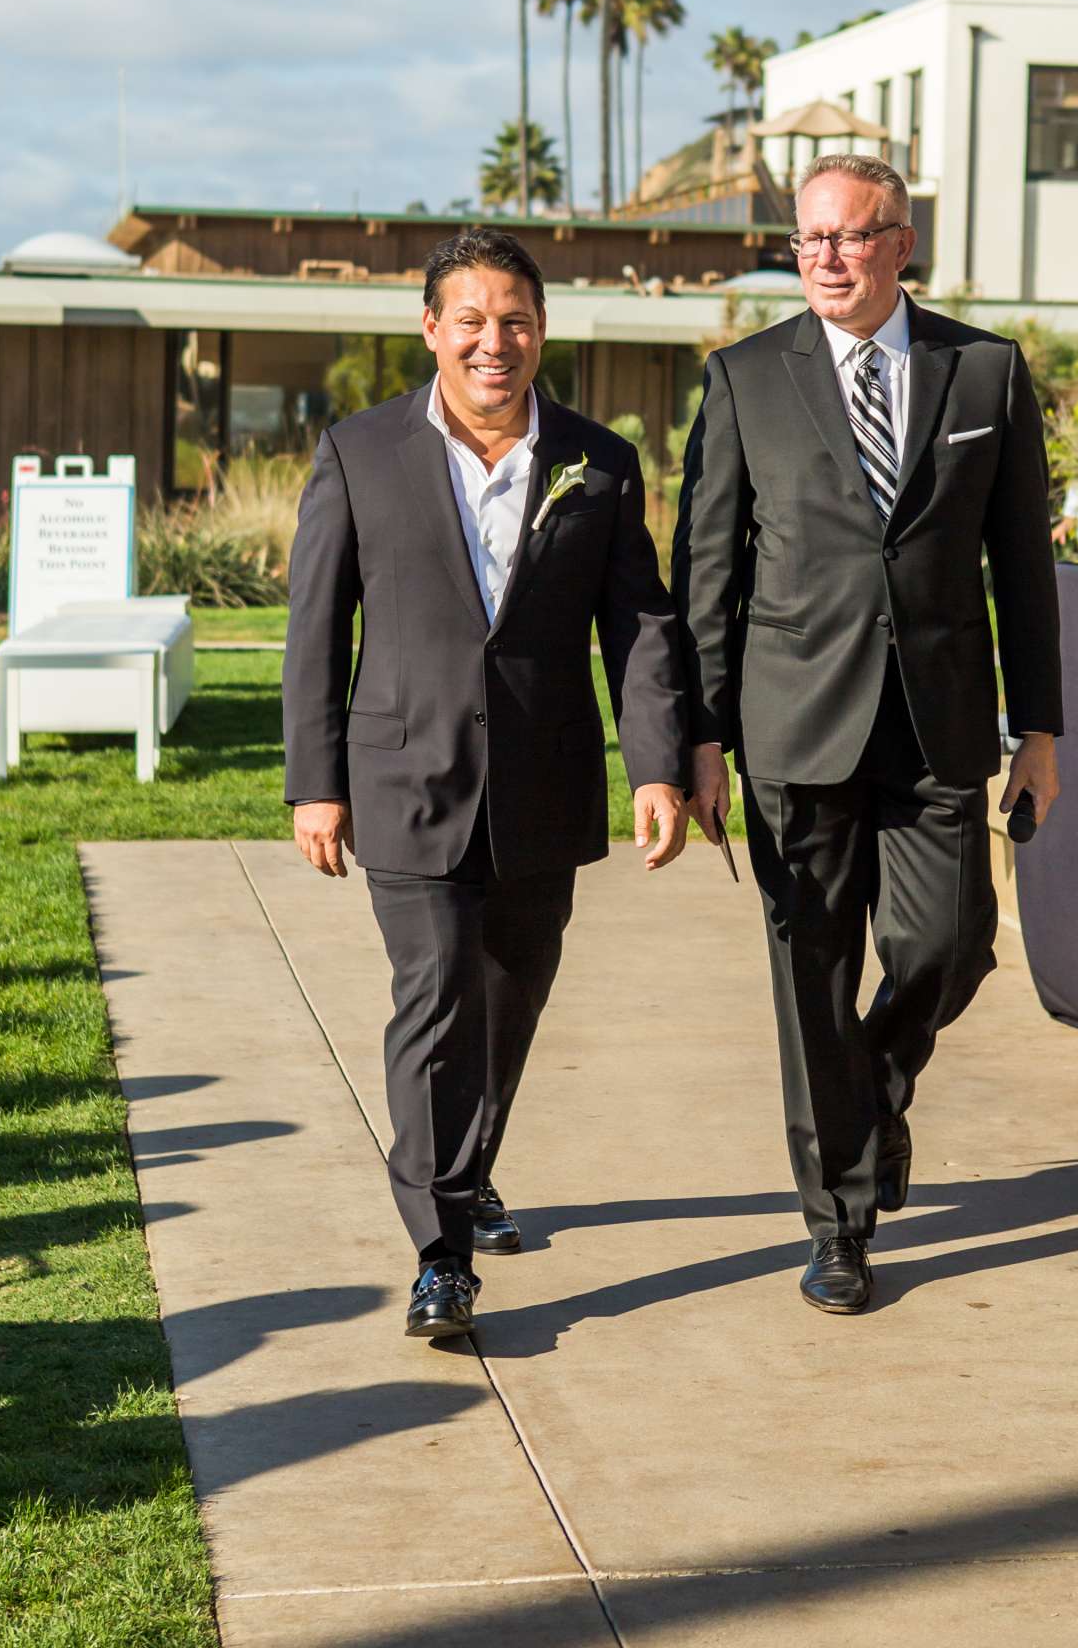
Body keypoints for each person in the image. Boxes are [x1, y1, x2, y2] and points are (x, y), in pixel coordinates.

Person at [672, 155, 1062, 1315]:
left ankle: (877, 1083)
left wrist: (1039, 726)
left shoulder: (982, 371)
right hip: (792, 724)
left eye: (848, 237)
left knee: (950, 945)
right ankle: (836, 1225)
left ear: (901, 243)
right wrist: (697, 735)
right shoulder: (746, 378)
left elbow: (1021, 569)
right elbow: (708, 571)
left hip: (938, 723)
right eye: (807, 241)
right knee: (811, 973)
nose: (825, 259)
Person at [283, 226, 689, 1341]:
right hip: (403, 779)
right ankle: (441, 1254)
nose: (492, 341)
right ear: (431, 330)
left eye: (513, 319)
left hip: (542, 790)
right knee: (438, 1001)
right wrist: (315, 784)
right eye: (469, 319)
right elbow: (316, 628)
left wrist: (655, 765)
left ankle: (466, 1166)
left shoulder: (598, 463)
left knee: (511, 997)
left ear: (541, 330)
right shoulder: (358, 453)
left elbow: (640, 627)